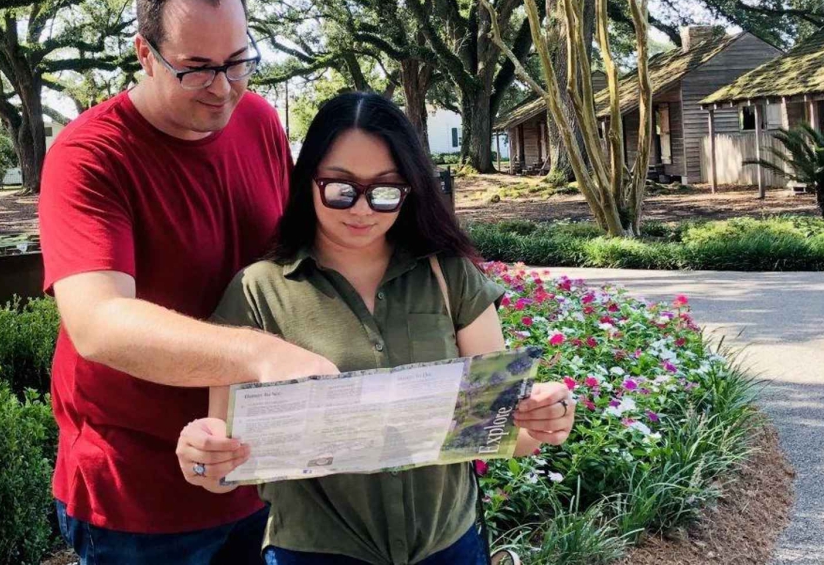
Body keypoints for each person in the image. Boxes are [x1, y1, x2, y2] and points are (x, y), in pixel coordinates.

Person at [176, 92, 578, 565]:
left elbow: (506, 431)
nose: (362, 210)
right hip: (315, 554)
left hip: (450, 548)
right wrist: (203, 455)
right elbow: (222, 467)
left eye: (385, 190)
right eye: (340, 188)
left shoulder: (448, 275)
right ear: (308, 181)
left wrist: (545, 419)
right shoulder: (258, 292)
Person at [40, 0, 336, 565]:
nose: (223, 88)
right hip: (137, 498)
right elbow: (98, 322)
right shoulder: (89, 155)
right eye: (197, 69)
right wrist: (261, 355)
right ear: (145, 54)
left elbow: (292, 260)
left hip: (253, 467)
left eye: (237, 62)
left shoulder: (258, 120)